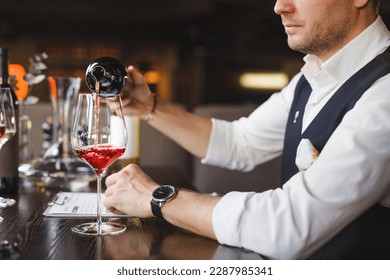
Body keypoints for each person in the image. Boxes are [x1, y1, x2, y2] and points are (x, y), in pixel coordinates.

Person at [104, 0, 390, 259]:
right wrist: (148, 108)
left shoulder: (384, 94)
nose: (280, 7)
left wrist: (157, 198)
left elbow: (286, 226)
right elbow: (238, 143)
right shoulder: (313, 78)